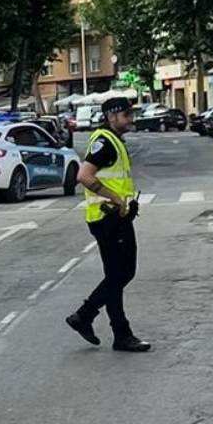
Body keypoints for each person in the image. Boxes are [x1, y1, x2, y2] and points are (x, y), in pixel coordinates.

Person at [65, 96, 151, 353]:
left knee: (117, 274)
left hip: (114, 217)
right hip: (109, 218)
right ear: (112, 116)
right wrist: (115, 198)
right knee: (121, 273)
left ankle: (118, 331)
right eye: (126, 115)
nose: (130, 120)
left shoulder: (112, 140)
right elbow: (84, 175)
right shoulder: (105, 142)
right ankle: (86, 316)